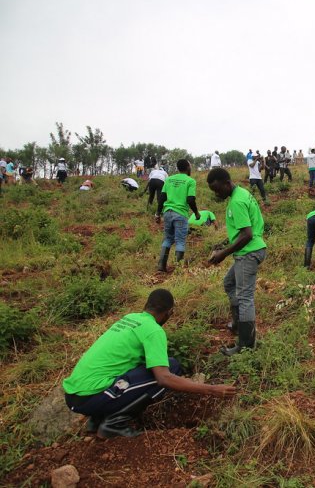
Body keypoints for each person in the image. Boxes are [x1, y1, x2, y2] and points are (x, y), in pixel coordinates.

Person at [63, 289, 237, 438]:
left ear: (146, 306)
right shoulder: (154, 330)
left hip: (75, 394)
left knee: (169, 364)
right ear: (169, 313)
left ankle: (97, 419)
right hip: (89, 397)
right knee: (168, 371)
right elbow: (164, 379)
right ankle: (113, 424)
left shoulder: (130, 318)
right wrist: (212, 390)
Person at [207, 168, 267, 354]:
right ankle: (238, 323)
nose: (217, 194)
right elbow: (243, 230)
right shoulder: (242, 193)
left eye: (218, 189)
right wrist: (224, 243)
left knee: (245, 298)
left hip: (248, 252)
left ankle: (246, 345)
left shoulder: (237, 202)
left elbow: (247, 235)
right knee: (229, 283)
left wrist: (223, 253)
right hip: (251, 249)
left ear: (227, 183)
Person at [156, 159, 199, 271]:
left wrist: (157, 214)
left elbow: (162, 198)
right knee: (180, 241)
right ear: (188, 167)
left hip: (167, 213)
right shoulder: (190, 181)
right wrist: (196, 213)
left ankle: (161, 266)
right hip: (180, 214)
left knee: (167, 239)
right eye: (190, 166)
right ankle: (177, 270)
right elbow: (190, 199)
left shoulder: (169, 179)